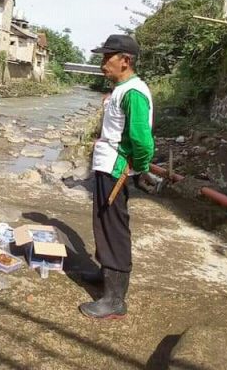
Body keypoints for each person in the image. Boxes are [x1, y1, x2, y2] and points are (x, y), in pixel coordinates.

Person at [79, 35, 154, 320]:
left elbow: (142, 142)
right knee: (103, 222)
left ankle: (115, 300)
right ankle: (106, 274)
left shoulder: (133, 91)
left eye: (106, 57)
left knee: (114, 229)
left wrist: (140, 167)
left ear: (125, 60)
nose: (102, 64)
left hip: (116, 169)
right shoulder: (121, 90)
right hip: (106, 166)